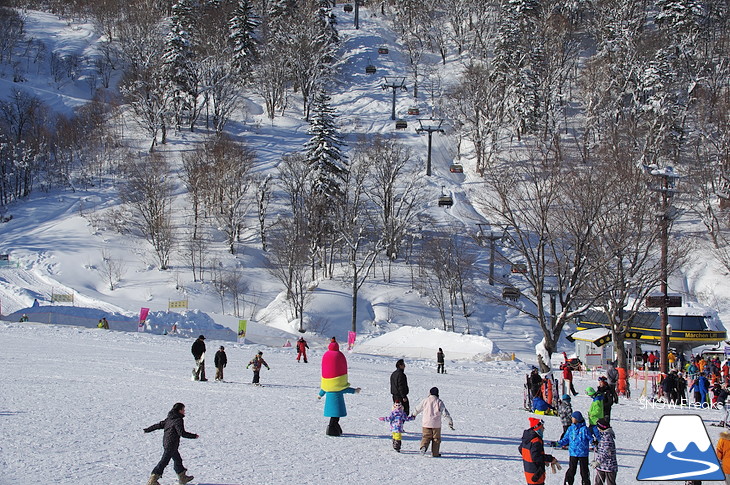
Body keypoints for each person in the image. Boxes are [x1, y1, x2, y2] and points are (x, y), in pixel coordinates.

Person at [143, 402, 197, 485]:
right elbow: (181, 433)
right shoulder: (178, 420)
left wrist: (148, 429)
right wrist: (194, 436)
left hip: (167, 443)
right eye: (183, 409)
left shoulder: (170, 418)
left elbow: (158, 425)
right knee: (164, 461)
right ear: (179, 410)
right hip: (171, 444)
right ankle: (153, 479)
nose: (184, 411)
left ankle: (182, 477)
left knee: (178, 460)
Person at [318, 340, 360, 436]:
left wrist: (320, 395)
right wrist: (355, 391)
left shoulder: (326, 355)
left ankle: (334, 428)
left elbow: (323, 389)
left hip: (329, 395)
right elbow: (346, 389)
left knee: (334, 416)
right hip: (337, 400)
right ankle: (332, 429)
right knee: (335, 417)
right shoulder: (339, 355)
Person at [411, 387, 454, 458]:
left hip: (426, 423)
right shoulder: (439, 401)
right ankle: (435, 453)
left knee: (426, 437)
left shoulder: (425, 400)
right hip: (436, 425)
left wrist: (413, 415)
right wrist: (450, 421)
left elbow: (418, 408)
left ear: (430, 393)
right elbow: (445, 413)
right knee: (436, 439)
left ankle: (423, 447)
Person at [557, 411, 598, 485]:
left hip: (583, 453)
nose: (572, 419)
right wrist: (558, 443)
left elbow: (590, 438)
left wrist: (594, 442)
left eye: (573, 417)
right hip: (573, 453)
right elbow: (566, 439)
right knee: (572, 470)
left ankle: (585, 482)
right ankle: (568, 482)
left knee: (584, 471)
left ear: (577, 419)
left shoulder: (584, 429)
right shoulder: (571, 429)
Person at [518, 417, 558, 485]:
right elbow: (536, 457)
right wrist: (549, 458)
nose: (544, 429)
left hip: (529, 472)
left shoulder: (527, 438)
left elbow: (521, 449)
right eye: (542, 427)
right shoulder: (536, 441)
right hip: (536, 474)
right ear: (537, 428)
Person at [594, 418, 617, 485]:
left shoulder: (608, 437)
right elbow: (602, 448)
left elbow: (606, 452)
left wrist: (598, 462)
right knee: (598, 482)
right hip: (602, 466)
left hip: (609, 467)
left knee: (610, 483)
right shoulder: (603, 435)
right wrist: (596, 444)